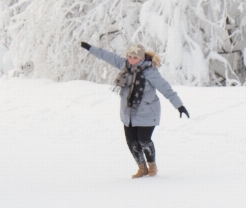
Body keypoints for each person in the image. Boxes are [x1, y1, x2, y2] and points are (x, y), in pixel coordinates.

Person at [80, 42, 189, 178]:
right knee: (131, 141)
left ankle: (152, 166)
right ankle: (141, 167)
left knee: (144, 139)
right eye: (130, 57)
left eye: (135, 58)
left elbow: (166, 89)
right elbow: (106, 55)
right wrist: (89, 48)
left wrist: (179, 106)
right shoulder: (124, 65)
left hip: (148, 112)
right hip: (129, 113)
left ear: (142, 58)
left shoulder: (151, 72)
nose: (131, 60)